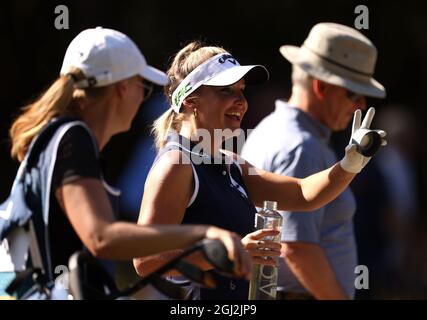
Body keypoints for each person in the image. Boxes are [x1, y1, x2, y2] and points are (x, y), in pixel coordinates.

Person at [1, 28, 251, 299]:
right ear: (122, 88)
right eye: (141, 86)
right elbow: (102, 238)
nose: (142, 97)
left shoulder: (67, 135)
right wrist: (202, 234)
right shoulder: (74, 137)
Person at [133, 40, 387, 300]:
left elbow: (302, 194)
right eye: (226, 91)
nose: (241, 101)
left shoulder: (229, 162)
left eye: (241, 91)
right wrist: (226, 252)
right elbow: (146, 259)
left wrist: (349, 164)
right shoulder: (176, 164)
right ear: (190, 100)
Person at [241, 22, 386, 300]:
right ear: (321, 86)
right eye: (353, 93)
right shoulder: (302, 146)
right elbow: (297, 248)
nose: (361, 105)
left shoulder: (276, 128)